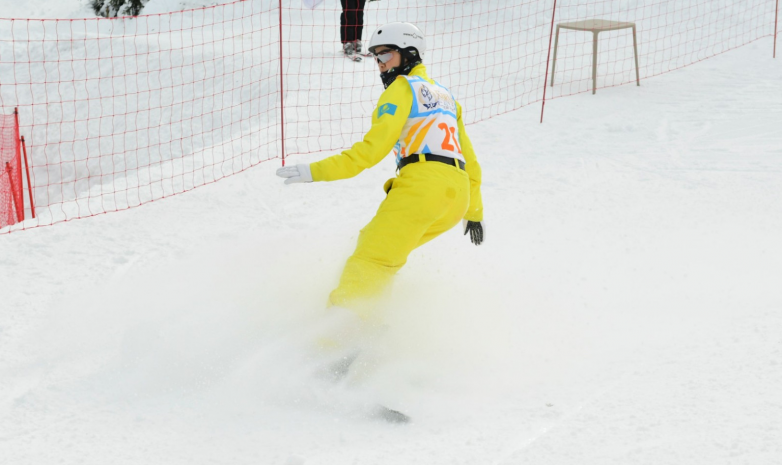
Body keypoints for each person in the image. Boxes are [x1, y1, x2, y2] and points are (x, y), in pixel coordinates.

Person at [277, 22, 485, 322]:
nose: (380, 64)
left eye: (385, 55)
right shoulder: (447, 97)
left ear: (409, 54)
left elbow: (369, 152)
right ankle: (372, 326)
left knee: (370, 260)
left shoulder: (402, 89)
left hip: (422, 189)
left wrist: (314, 171)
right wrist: (474, 211)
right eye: (376, 57)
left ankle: (336, 343)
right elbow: (471, 162)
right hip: (456, 199)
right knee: (384, 255)